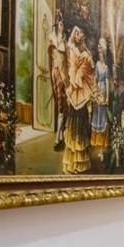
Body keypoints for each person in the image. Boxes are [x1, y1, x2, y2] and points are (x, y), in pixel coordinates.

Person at [63, 26, 95, 174]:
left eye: (80, 32)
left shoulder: (87, 55)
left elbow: (90, 71)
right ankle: (71, 163)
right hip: (74, 91)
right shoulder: (73, 50)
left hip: (82, 91)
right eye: (76, 33)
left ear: (84, 36)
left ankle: (79, 163)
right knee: (73, 124)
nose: (77, 35)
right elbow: (69, 44)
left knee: (81, 125)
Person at [48, 11, 68, 150]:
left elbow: (65, 54)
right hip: (55, 72)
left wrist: (61, 36)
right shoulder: (51, 37)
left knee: (62, 103)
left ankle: (57, 137)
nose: (60, 25)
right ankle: (60, 135)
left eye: (61, 23)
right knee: (58, 102)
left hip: (63, 74)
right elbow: (51, 53)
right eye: (58, 22)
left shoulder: (64, 39)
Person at [91, 38, 111, 148]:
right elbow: (95, 79)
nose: (100, 56)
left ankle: (102, 141)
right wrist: (94, 91)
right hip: (98, 90)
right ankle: (95, 140)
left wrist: (107, 97)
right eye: (99, 54)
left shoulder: (106, 67)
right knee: (96, 112)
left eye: (102, 54)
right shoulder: (97, 64)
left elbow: (107, 82)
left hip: (103, 91)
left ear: (104, 54)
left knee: (102, 113)